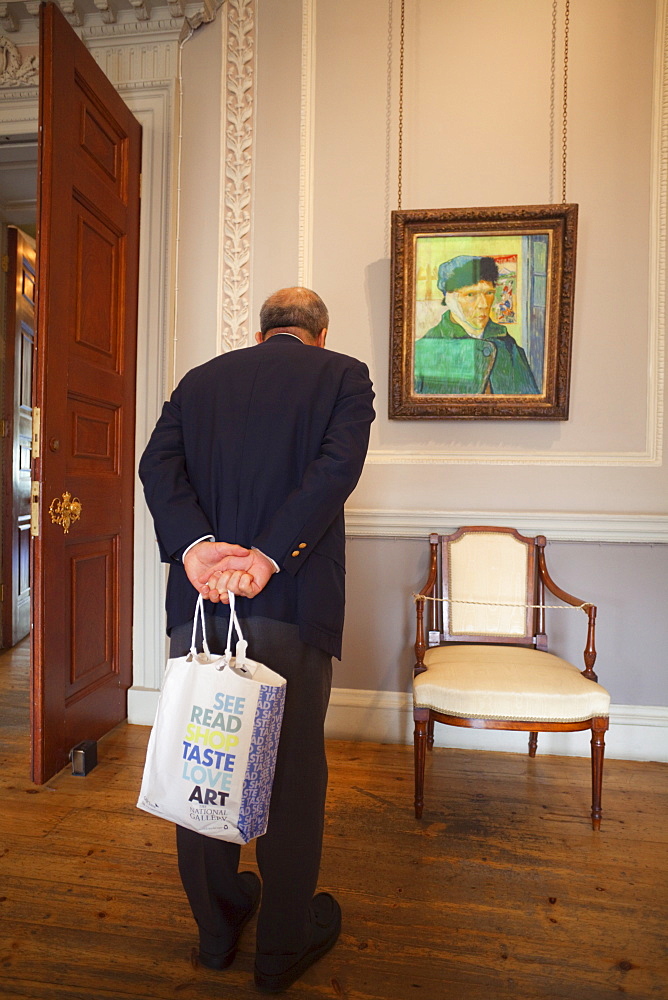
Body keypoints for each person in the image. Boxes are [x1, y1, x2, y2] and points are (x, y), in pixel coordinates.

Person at [139, 287, 375, 993]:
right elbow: (334, 471)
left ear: (262, 329)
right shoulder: (345, 375)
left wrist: (197, 548)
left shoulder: (199, 381)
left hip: (202, 601)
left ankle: (216, 931)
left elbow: (158, 468)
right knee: (292, 775)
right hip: (290, 603)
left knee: (208, 757)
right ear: (320, 334)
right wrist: (267, 557)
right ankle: (280, 947)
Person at [413, 254, 539, 394]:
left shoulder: (508, 345)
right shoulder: (423, 351)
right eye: (471, 295)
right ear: (449, 298)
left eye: (489, 293)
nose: (483, 304)